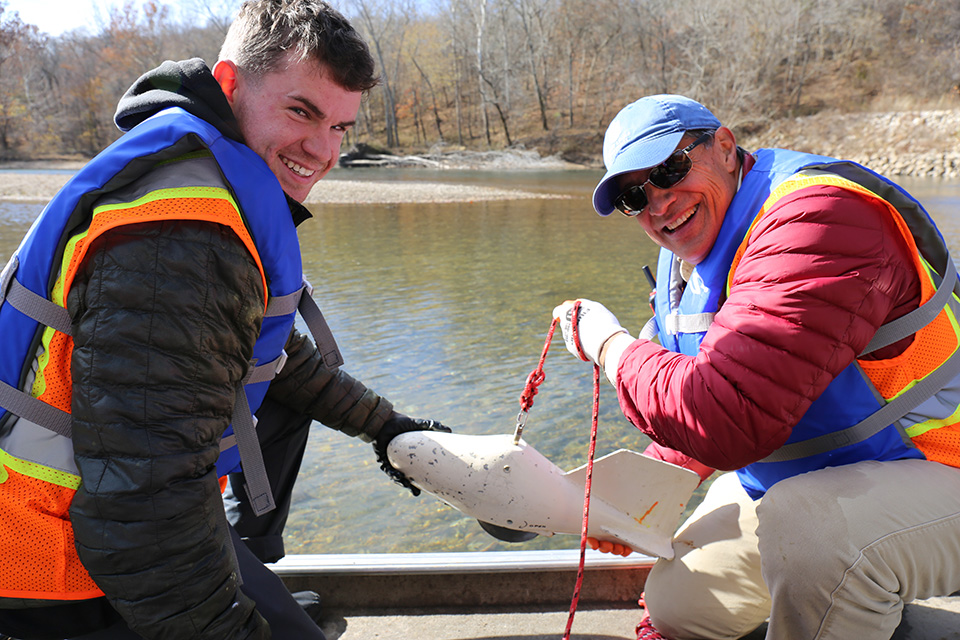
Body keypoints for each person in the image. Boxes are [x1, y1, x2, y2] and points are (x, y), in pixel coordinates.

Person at [0, 1, 450, 638]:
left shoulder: (203, 177)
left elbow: (277, 361)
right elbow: (142, 511)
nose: (323, 152)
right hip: (49, 561)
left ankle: (243, 568)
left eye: (340, 127)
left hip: (99, 522)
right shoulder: (179, 236)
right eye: (302, 111)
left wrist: (389, 429)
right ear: (230, 83)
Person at [553, 94, 960, 640]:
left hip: (943, 466)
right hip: (832, 473)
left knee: (815, 535)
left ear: (724, 145)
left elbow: (725, 418)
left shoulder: (819, 218)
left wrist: (610, 346)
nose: (659, 204)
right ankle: (854, 592)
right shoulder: (692, 246)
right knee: (679, 604)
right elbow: (710, 388)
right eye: (633, 196)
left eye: (670, 169)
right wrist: (639, 494)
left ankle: (857, 582)